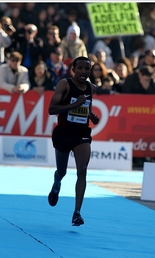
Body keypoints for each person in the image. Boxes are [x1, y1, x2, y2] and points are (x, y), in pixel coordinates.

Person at [47, 56, 100, 226]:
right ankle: (56, 184)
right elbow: (51, 109)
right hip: (64, 133)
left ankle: (77, 213)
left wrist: (91, 116)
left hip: (81, 134)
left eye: (87, 69)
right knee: (61, 171)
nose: (84, 72)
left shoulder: (91, 88)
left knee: (82, 170)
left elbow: (86, 109)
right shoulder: (65, 84)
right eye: (80, 68)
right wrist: (74, 104)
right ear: (73, 70)